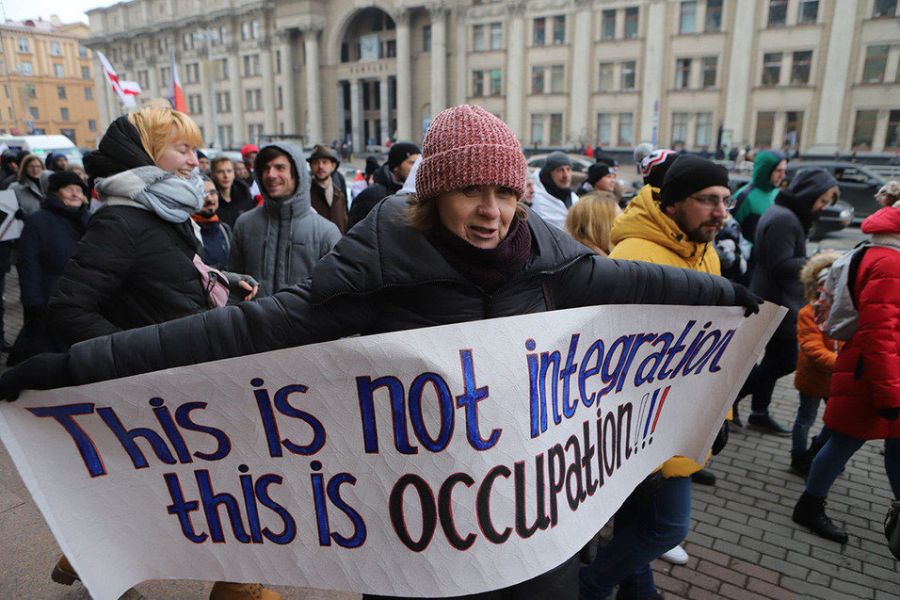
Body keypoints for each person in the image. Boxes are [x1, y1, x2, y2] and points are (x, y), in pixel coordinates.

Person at [0, 104, 760, 600]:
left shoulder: (555, 259)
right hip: (416, 543)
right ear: (434, 196)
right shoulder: (374, 265)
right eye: (469, 193)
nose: (490, 212)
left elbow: (641, 286)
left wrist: (735, 300)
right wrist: (75, 369)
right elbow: (234, 334)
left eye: (506, 193)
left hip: (532, 536)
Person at [39, 107, 268, 600]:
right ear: (145, 154)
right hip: (156, 380)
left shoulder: (161, 211)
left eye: (194, 149)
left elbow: (166, 274)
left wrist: (221, 282)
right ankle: (238, 586)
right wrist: (138, 353)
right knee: (219, 480)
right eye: (182, 149)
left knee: (169, 482)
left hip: (185, 372)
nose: (195, 160)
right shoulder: (121, 221)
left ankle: (80, 554)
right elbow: (69, 309)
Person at [582, 155, 733, 596]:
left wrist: (717, 419)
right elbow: (614, 360)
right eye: (708, 200)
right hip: (643, 429)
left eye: (725, 200)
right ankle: (586, 587)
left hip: (683, 419)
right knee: (667, 527)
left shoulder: (708, 254)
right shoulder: (634, 256)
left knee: (636, 522)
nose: (721, 212)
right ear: (672, 205)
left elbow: (715, 351)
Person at [792, 203, 900, 544]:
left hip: (875, 368)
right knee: (841, 441)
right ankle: (809, 505)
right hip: (873, 372)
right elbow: (880, 332)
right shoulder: (891, 262)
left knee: (878, 443)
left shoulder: (878, 249)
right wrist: (890, 392)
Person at [741, 168, 839, 435]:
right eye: (822, 200)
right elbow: (780, 264)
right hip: (775, 301)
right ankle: (733, 399)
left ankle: (758, 413)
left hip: (776, 298)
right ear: (810, 193)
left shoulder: (787, 213)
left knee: (773, 357)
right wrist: (818, 259)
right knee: (785, 359)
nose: (822, 207)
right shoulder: (785, 219)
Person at [229, 142, 341, 297]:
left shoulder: (326, 232)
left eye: (280, 168)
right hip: (253, 320)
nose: (271, 175)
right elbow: (233, 288)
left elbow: (335, 295)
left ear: (298, 174)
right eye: (266, 168)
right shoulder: (244, 224)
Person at [8, 171, 90, 364]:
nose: (75, 194)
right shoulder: (38, 221)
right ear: (55, 193)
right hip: (50, 296)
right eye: (69, 189)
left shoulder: (89, 219)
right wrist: (32, 300)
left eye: (78, 189)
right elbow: (28, 263)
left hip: (85, 297)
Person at [789, 251, 843, 477]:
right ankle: (799, 457)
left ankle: (819, 451)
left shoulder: (844, 312)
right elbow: (812, 348)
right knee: (805, 419)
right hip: (814, 377)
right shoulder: (808, 313)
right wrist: (843, 363)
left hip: (837, 381)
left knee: (836, 421)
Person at [348, 141, 420, 228]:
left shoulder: (418, 192)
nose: (417, 167)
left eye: (418, 162)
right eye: (412, 163)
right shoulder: (371, 196)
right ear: (396, 167)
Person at [731, 150, 787, 244]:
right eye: (778, 171)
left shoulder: (778, 194)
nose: (783, 175)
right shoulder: (743, 196)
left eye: (784, 171)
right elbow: (727, 230)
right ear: (765, 170)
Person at [530, 151, 578, 229]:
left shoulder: (574, 198)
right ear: (549, 174)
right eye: (560, 170)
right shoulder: (535, 197)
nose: (566, 175)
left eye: (568, 169)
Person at [307, 144, 349, 233]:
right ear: (311, 166)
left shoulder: (339, 195)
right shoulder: (305, 195)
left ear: (333, 166)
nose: (320, 166)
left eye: (325, 162)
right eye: (316, 162)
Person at [193, 176, 233, 269]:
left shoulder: (224, 229)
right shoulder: (187, 230)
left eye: (213, 193)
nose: (209, 199)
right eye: (203, 193)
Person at [565, 191, 620, 255]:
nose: (622, 225)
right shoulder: (596, 262)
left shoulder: (569, 251)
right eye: (617, 221)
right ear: (598, 228)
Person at [210, 155, 255, 227]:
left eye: (229, 171)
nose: (226, 176)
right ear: (213, 175)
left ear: (234, 174)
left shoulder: (244, 193)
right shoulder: (210, 199)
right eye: (220, 172)